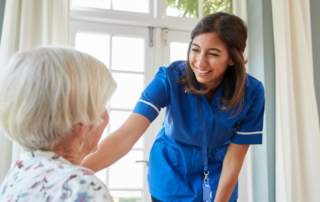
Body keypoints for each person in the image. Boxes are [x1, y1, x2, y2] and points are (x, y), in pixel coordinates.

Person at [82, 12, 265, 202]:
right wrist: (72, 172)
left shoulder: (252, 92)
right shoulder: (169, 79)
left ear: (233, 57)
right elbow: (125, 137)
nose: (200, 62)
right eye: (195, 50)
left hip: (219, 182)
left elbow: (234, 159)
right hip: (170, 179)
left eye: (213, 53)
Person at [0, 47, 117, 202]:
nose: (105, 115)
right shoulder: (80, 188)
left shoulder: (18, 173)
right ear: (81, 123)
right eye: (102, 105)